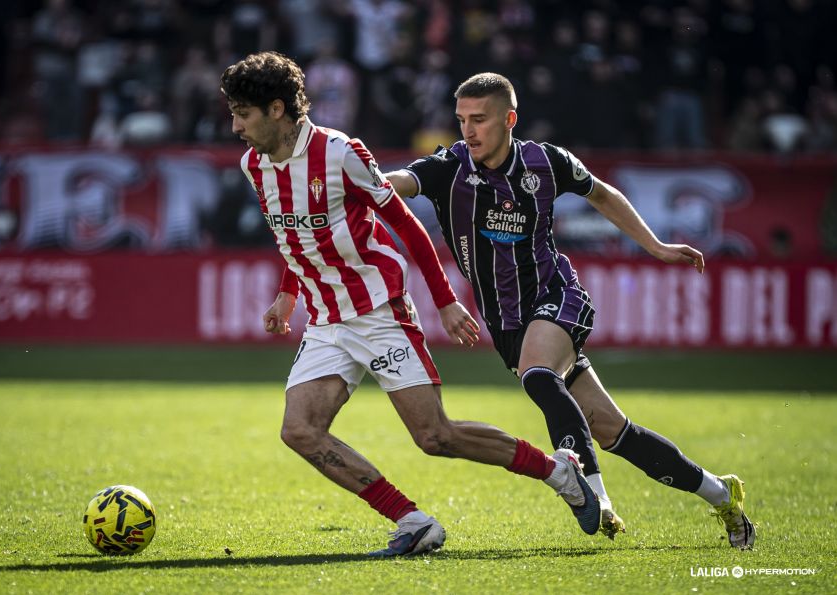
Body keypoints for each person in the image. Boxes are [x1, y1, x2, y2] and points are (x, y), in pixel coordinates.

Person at [220, 52, 602, 558]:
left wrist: (444, 301)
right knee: (300, 430)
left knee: (435, 436)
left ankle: (560, 473)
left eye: (242, 114)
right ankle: (413, 521)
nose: (235, 127)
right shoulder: (254, 165)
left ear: (275, 109)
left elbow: (407, 224)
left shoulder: (340, 153)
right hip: (327, 317)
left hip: (379, 309)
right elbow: (298, 234)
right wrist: (290, 293)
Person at [385, 72, 755, 550]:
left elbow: (602, 194)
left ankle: (595, 498)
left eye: (479, 119)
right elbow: (399, 182)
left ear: (509, 120)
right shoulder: (450, 166)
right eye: (461, 120)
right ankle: (723, 494)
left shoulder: (546, 161)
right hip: (507, 322)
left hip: (557, 295)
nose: (468, 131)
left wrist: (657, 247)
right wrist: (359, 179)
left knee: (539, 374)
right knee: (612, 430)